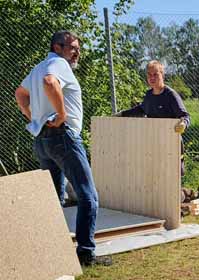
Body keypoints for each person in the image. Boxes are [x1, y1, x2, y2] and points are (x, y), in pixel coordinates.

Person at [15, 30, 109, 266]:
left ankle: (51, 251)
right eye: (72, 47)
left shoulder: (39, 67)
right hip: (63, 137)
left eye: (78, 48)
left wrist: (32, 116)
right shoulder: (58, 64)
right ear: (57, 47)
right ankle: (86, 253)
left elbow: (20, 93)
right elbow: (50, 82)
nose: (77, 52)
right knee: (88, 195)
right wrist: (62, 115)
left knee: (54, 198)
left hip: (42, 140)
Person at [115, 60, 190, 181]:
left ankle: (177, 197)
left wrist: (183, 123)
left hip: (171, 142)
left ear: (162, 75)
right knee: (156, 173)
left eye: (155, 74)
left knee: (174, 175)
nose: (152, 77)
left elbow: (185, 116)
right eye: (149, 75)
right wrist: (122, 114)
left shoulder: (171, 95)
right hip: (154, 141)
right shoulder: (149, 95)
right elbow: (141, 109)